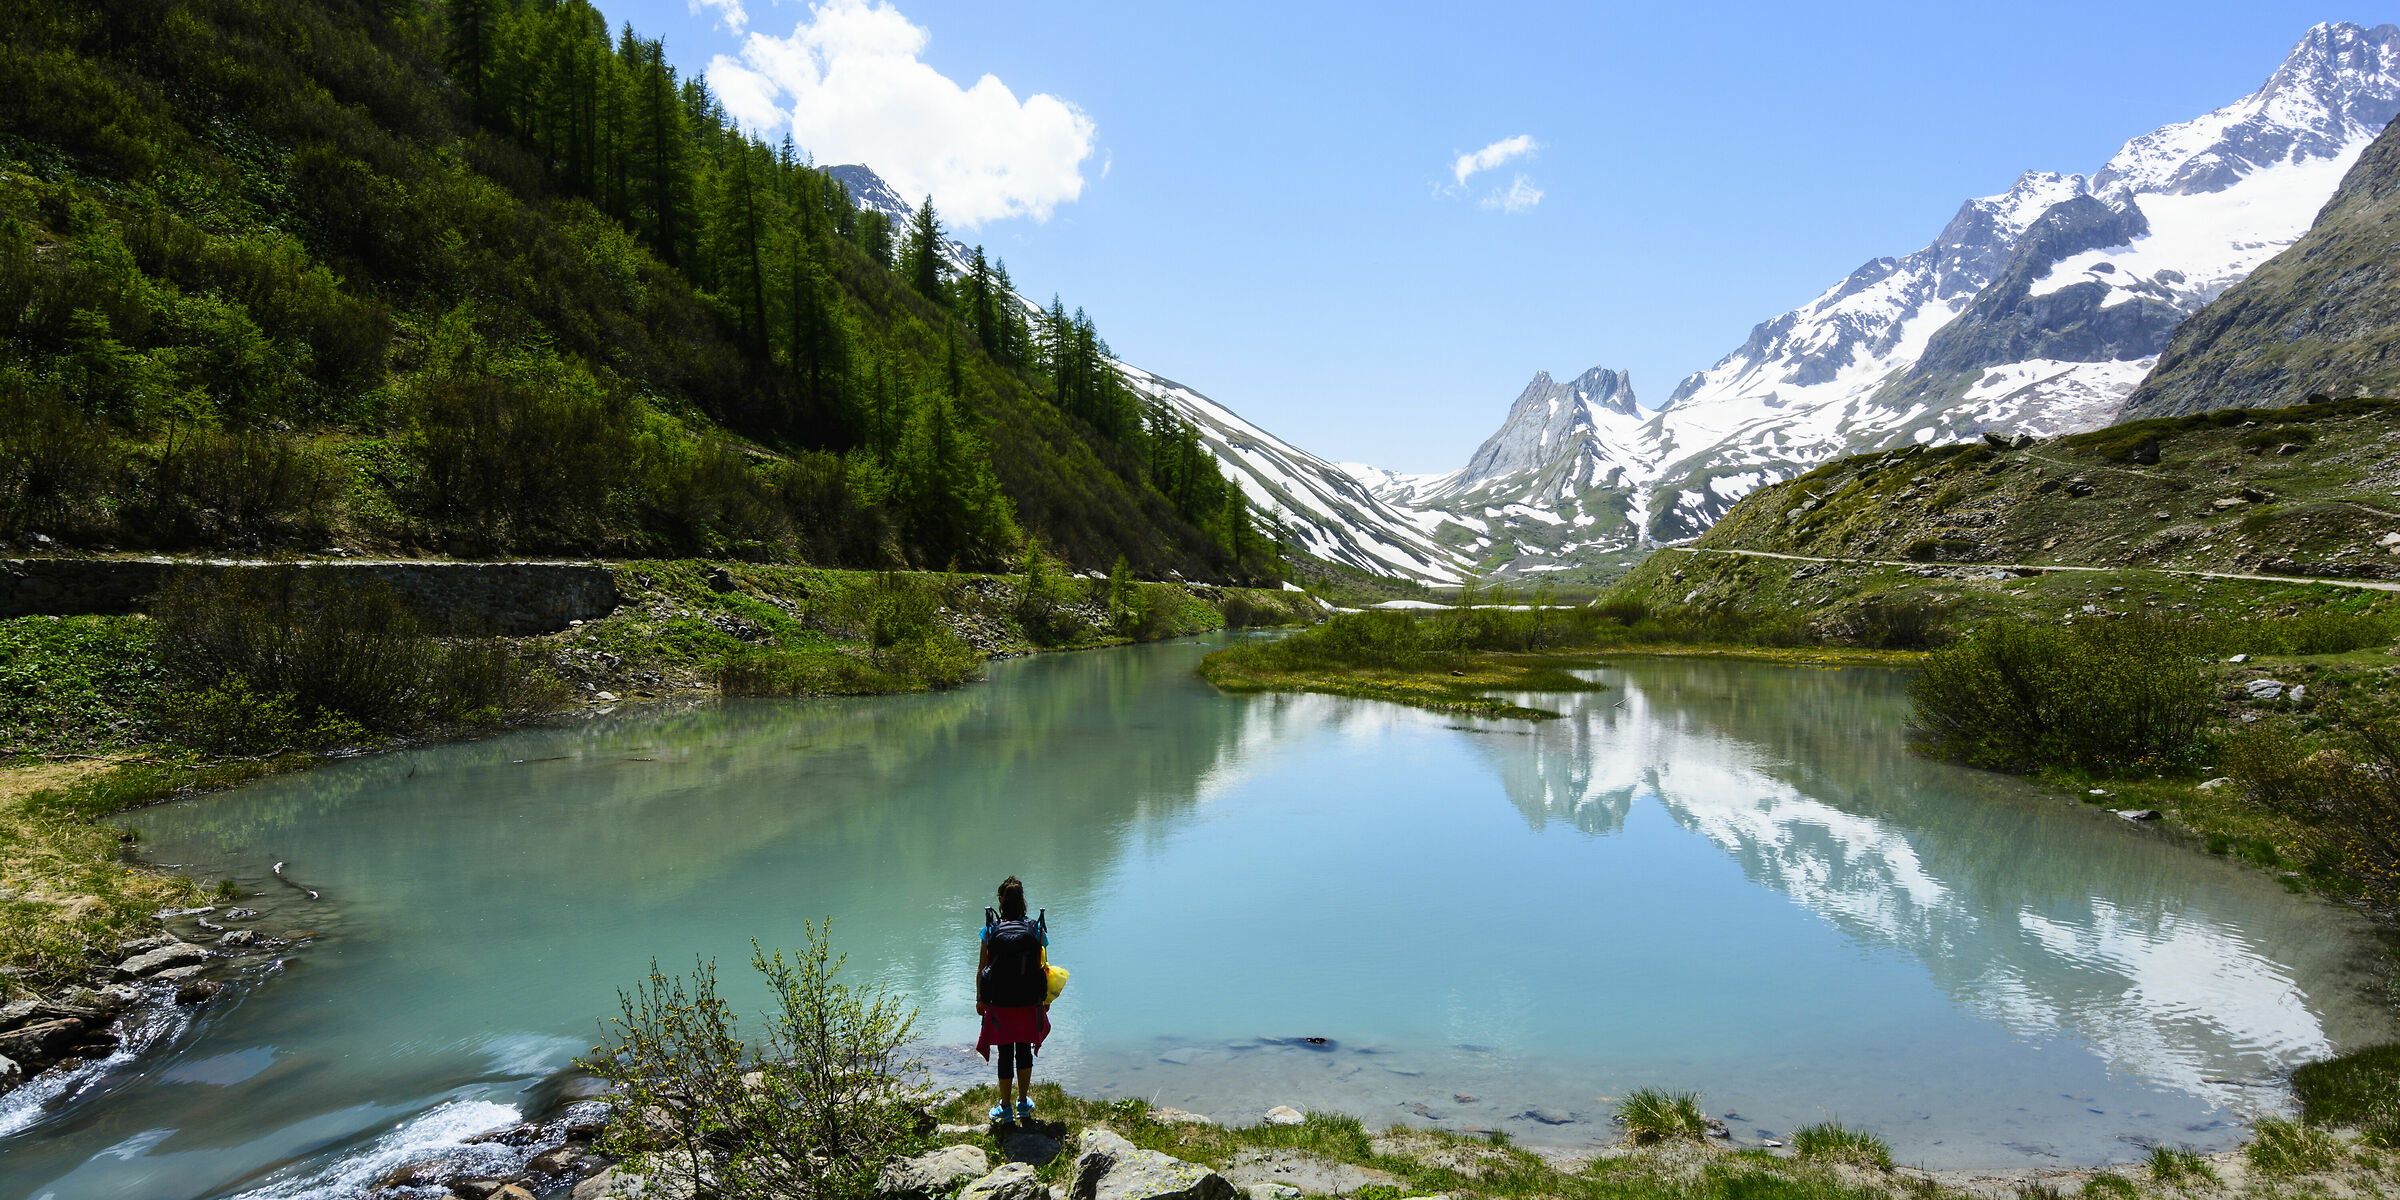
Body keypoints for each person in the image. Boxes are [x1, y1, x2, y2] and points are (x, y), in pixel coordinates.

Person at [974, 875, 1050, 1123]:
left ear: (1000, 901)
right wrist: (1044, 999)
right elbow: (1044, 967)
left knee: (1005, 1053)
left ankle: (1005, 1107)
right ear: (1023, 902)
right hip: (1028, 1001)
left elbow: (982, 967)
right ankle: (1023, 1104)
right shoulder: (1035, 929)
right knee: (1024, 1051)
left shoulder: (990, 930)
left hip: (1000, 1002)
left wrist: (980, 999)